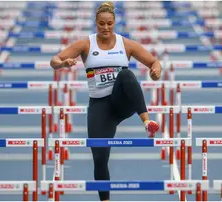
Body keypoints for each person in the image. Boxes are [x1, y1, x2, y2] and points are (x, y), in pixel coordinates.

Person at [50, 2, 161, 201]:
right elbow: (54, 60)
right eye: (101, 24)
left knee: (126, 76)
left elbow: (154, 62)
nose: (106, 27)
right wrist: (63, 63)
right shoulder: (85, 44)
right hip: (99, 106)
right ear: (96, 23)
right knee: (100, 158)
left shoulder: (125, 44)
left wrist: (155, 72)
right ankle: (105, 200)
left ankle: (147, 122)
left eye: (109, 23)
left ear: (115, 22)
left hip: (120, 102)